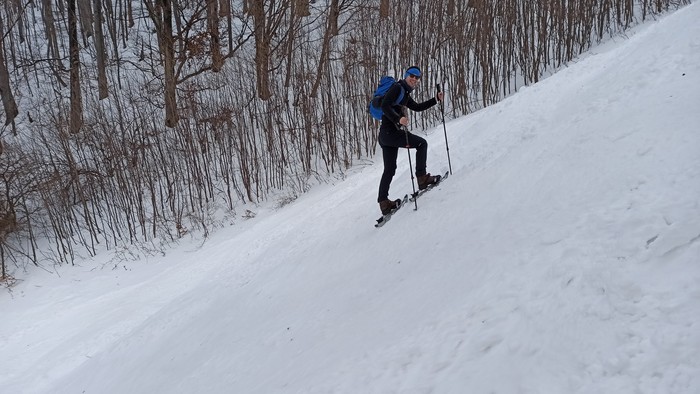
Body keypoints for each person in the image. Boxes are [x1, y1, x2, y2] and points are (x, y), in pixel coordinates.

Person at [377, 66, 444, 215]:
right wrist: (398, 118)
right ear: (406, 76)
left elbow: (417, 107)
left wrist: (435, 99)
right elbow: (384, 105)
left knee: (389, 169)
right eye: (411, 76)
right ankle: (422, 179)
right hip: (391, 133)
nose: (414, 79)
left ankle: (384, 203)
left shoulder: (404, 93)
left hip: (385, 135)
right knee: (422, 143)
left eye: (417, 77)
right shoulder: (397, 88)